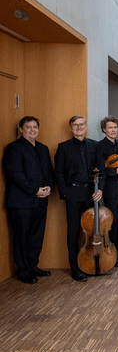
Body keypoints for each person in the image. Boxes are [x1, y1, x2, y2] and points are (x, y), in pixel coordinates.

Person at [4, 116, 55, 284]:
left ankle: (33, 266)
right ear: (21, 130)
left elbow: (49, 172)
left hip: (41, 201)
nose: (32, 130)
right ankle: (23, 270)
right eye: (28, 127)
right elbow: (16, 174)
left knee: (36, 236)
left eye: (35, 127)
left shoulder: (43, 148)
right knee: (22, 237)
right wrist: (35, 190)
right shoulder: (13, 148)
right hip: (21, 202)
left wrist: (48, 188)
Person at [54, 115, 104, 282]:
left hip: (91, 193)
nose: (78, 127)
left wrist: (100, 189)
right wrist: (65, 192)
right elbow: (59, 172)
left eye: (81, 124)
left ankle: (92, 263)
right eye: (75, 125)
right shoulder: (63, 147)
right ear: (70, 128)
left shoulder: (95, 145)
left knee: (94, 230)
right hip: (73, 193)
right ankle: (75, 268)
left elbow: (102, 171)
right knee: (74, 231)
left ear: (85, 126)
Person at [96, 115, 118, 265]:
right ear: (104, 129)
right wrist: (115, 171)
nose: (113, 130)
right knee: (113, 221)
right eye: (110, 127)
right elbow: (99, 169)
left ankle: (117, 252)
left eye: (115, 127)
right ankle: (110, 254)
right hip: (110, 189)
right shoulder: (99, 146)